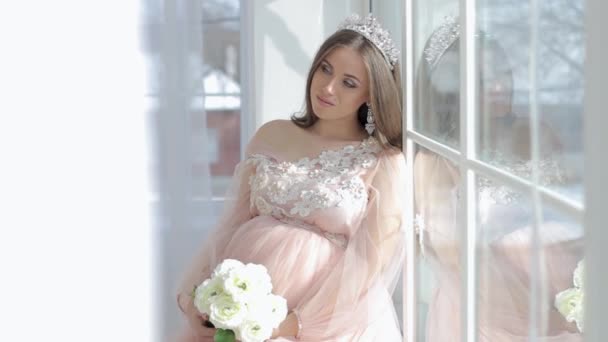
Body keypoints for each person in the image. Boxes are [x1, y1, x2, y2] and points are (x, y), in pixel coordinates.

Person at [174, 13, 406, 341]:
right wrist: (195, 296)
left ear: (370, 95)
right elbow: (229, 226)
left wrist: (295, 324)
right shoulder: (272, 135)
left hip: (324, 317)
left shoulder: (383, 161)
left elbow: (370, 264)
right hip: (241, 304)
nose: (327, 87)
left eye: (348, 82)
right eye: (325, 69)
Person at [413, 16, 584, 341]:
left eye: (503, 74)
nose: (500, 87)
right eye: (483, 78)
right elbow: (456, 263)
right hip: (488, 316)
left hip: (565, 304)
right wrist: (546, 318)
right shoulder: (435, 160)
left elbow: (573, 209)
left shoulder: (536, 133)